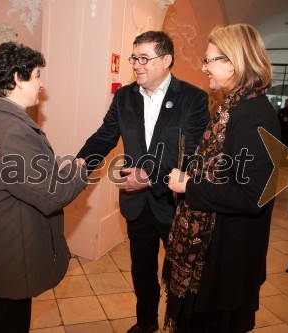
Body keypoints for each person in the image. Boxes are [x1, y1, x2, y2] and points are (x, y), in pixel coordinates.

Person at [77, 31, 209, 333]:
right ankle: (146, 323)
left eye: (144, 59)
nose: (136, 65)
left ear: (166, 60)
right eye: (134, 58)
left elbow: (194, 155)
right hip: (136, 205)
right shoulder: (124, 97)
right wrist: (82, 162)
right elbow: (105, 135)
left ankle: (180, 325)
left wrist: (149, 177)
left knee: (180, 274)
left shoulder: (193, 98)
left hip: (174, 204)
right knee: (142, 271)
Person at [163, 24, 280, 333]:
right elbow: (223, 169)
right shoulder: (233, 106)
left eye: (209, 60)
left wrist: (189, 186)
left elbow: (253, 196)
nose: (203, 68)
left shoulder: (252, 114)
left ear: (233, 62)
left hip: (226, 257)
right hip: (214, 248)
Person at [0, 42, 87, 333]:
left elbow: (25, 177)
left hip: (1, 244)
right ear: (18, 79)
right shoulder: (11, 131)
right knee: (9, 323)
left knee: (3, 318)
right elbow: (53, 194)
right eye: (35, 76)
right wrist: (78, 170)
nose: (41, 84)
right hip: (10, 252)